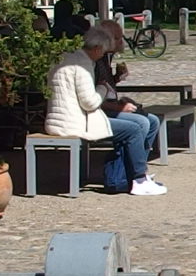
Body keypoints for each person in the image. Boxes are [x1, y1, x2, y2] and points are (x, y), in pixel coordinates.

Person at [48, 25, 162, 196]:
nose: (102, 55)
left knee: (142, 123)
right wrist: (102, 88)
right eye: (102, 51)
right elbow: (90, 102)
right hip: (76, 121)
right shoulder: (83, 65)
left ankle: (132, 176)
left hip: (62, 119)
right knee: (134, 129)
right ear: (96, 48)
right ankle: (138, 178)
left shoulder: (68, 57)